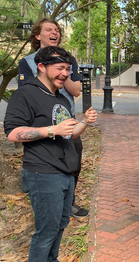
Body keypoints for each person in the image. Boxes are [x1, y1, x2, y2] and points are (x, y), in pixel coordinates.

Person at [4, 46, 97, 262]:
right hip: (43, 173)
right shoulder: (26, 93)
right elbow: (13, 133)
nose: (65, 74)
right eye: (60, 68)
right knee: (46, 232)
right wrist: (51, 130)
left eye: (68, 69)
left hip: (66, 172)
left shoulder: (62, 98)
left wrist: (84, 122)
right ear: (41, 67)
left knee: (60, 226)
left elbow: (69, 134)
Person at [17, 18, 89, 218]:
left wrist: (61, 70)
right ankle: (46, 206)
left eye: (57, 30)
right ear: (38, 36)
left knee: (74, 163)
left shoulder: (69, 60)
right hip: (43, 125)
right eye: (49, 29)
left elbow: (76, 91)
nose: (54, 32)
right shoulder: (27, 62)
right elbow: (26, 94)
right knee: (45, 167)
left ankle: (69, 203)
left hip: (68, 124)